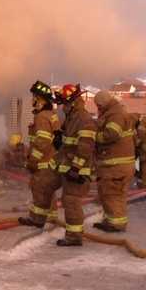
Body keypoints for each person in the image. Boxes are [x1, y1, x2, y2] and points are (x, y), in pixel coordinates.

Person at [54, 84, 95, 247]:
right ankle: (73, 235)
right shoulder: (72, 118)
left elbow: (85, 147)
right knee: (68, 201)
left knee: (72, 202)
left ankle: (74, 236)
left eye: (64, 103)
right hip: (70, 167)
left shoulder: (83, 119)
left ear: (72, 102)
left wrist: (76, 168)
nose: (62, 107)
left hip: (77, 170)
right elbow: (69, 144)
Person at [18, 80, 62, 229]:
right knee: (48, 190)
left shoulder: (42, 117)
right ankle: (51, 216)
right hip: (51, 160)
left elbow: (42, 141)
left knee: (39, 190)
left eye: (34, 97)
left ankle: (36, 219)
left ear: (40, 99)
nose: (32, 100)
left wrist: (33, 160)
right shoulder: (51, 115)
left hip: (42, 162)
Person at [93, 90, 137, 232]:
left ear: (103, 103)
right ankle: (111, 220)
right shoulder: (114, 112)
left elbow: (111, 134)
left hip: (116, 165)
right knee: (110, 194)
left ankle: (116, 224)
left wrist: (94, 136)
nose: (98, 108)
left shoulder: (116, 114)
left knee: (113, 195)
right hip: (116, 165)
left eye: (98, 105)